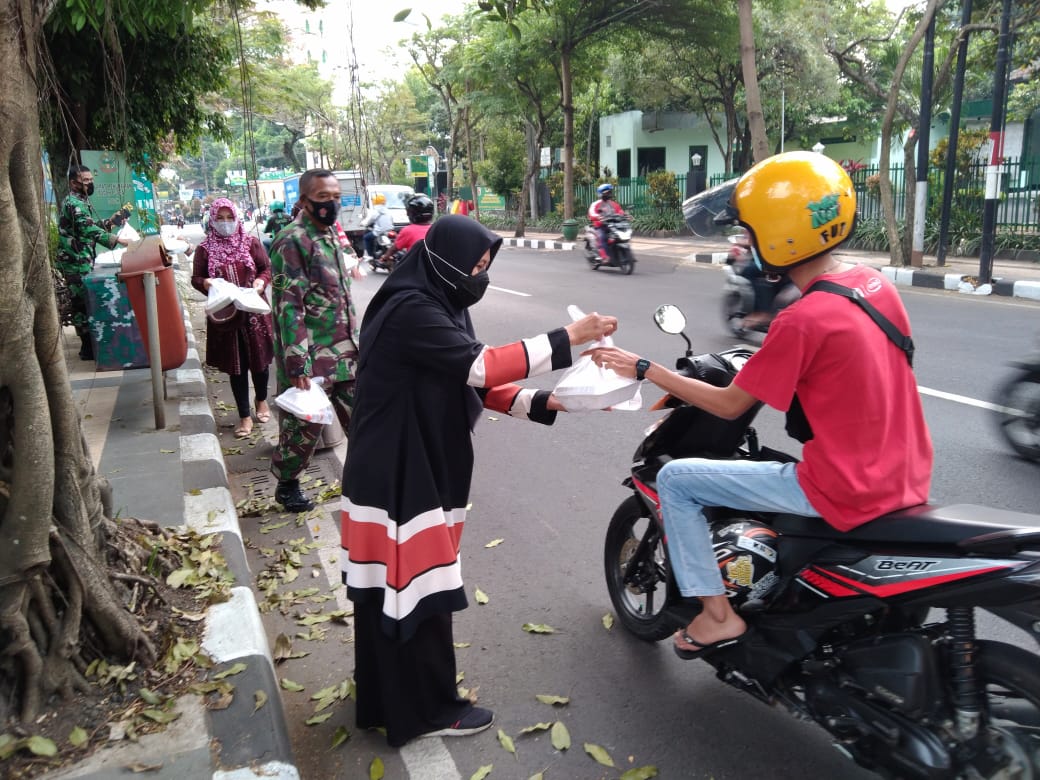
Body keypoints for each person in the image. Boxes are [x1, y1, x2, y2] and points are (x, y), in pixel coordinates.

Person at [585, 151, 933, 660]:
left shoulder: (802, 320)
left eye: (749, 231)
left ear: (780, 235)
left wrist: (644, 368)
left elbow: (729, 407)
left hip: (844, 489)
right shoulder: (872, 286)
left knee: (679, 480)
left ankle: (717, 616)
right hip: (906, 478)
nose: (745, 241)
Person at [340, 215, 617, 747]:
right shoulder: (411, 310)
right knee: (418, 592)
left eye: (487, 267)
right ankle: (429, 710)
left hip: (404, 461)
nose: (479, 275)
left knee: (393, 592)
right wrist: (570, 338)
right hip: (402, 470)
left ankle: (387, 701)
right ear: (442, 261)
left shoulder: (439, 307)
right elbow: (483, 368)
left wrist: (553, 401)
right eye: (475, 265)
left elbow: (471, 378)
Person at [269, 169, 362, 513]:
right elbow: (287, 305)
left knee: (365, 420)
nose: (332, 203)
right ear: (304, 201)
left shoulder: (332, 235)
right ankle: (287, 484)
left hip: (346, 351)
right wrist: (297, 362)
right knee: (303, 429)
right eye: (324, 197)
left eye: (336, 196)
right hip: (310, 356)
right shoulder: (290, 241)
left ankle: (368, 482)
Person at [191, 198, 274, 438]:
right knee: (236, 367)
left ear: (237, 218)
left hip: (253, 311)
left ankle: (261, 400)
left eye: (230, 217)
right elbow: (196, 278)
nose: (226, 223)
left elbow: (265, 268)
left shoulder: (250, 243)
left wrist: (260, 282)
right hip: (225, 314)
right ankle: (244, 416)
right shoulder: (205, 249)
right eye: (220, 218)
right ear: (212, 220)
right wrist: (206, 283)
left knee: (260, 361)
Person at [57, 165, 132, 359]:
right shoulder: (73, 203)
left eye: (91, 179)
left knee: (86, 301)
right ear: (73, 183)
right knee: (81, 303)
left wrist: (112, 221)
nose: (90, 184)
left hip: (83, 259)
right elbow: (86, 229)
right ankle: (87, 348)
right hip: (74, 261)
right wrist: (116, 240)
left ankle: (91, 345)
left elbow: (89, 225)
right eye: (86, 181)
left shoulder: (81, 201)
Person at [375, 193, 434, 270]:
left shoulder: (408, 230)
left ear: (412, 213)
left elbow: (394, 248)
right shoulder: (436, 228)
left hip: (415, 268)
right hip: (435, 268)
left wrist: (384, 258)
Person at [587, 183, 626, 261]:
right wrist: (598, 217)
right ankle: (604, 257)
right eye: (607, 193)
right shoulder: (596, 204)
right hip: (600, 226)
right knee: (602, 237)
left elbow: (619, 211)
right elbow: (591, 213)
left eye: (610, 192)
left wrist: (624, 215)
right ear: (601, 194)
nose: (609, 194)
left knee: (621, 235)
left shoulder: (613, 204)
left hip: (612, 225)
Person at [360, 192, 393, 260]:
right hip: (390, 231)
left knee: (366, 237)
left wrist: (362, 223)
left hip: (379, 232)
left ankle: (370, 255)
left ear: (375, 202)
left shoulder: (376, 211)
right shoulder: (388, 210)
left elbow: (369, 220)